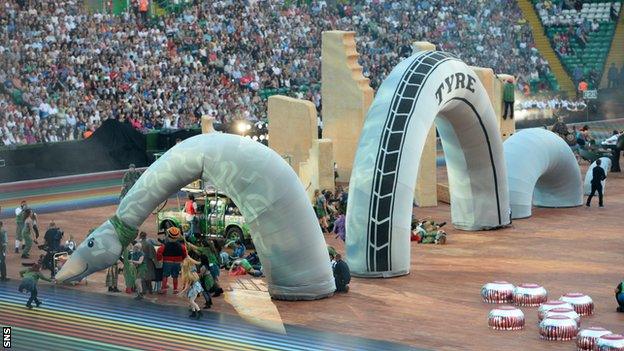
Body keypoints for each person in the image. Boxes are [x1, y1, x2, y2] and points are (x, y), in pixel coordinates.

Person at [156, 227, 188, 294]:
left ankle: (164, 288)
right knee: (175, 276)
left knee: (165, 275)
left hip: (167, 261)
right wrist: (182, 259)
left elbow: (159, 252)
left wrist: (160, 259)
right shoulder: (181, 246)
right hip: (177, 262)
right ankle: (175, 289)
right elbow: (185, 254)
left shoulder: (165, 245)